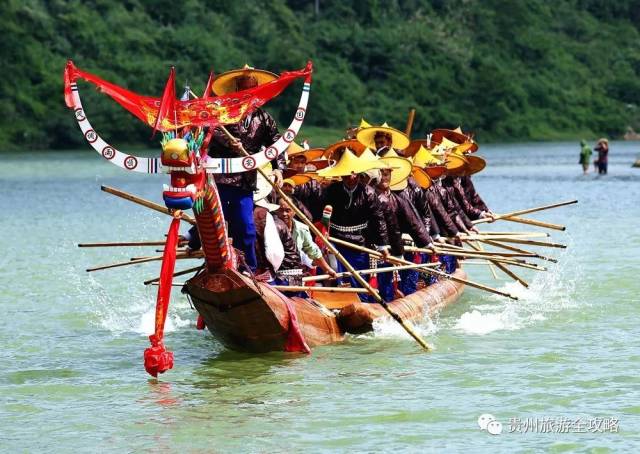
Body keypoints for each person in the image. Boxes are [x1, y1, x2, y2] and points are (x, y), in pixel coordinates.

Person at [204, 65, 286, 270]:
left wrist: (278, 168)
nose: (248, 94)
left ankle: (248, 268)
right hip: (221, 178)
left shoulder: (264, 118)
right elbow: (208, 131)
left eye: (253, 89)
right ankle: (217, 264)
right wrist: (229, 142)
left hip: (246, 181)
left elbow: (277, 144)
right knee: (218, 225)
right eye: (244, 89)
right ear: (237, 91)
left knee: (247, 227)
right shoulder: (222, 114)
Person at [318, 149, 390, 294]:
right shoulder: (331, 191)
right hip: (335, 240)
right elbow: (323, 216)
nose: (351, 177)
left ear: (359, 175)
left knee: (359, 280)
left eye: (354, 174)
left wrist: (383, 246)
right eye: (347, 174)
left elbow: (378, 219)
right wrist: (323, 233)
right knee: (334, 273)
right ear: (341, 175)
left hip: (360, 242)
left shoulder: (368, 193)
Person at [275, 199, 338, 280]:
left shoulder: (301, 228)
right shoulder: (271, 226)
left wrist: (327, 269)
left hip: (295, 271)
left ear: (294, 211)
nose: (284, 214)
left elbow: (312, 250)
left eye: (288, 210)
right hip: (275, 272)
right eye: (280, 210)